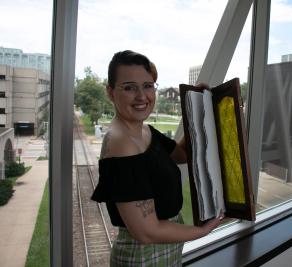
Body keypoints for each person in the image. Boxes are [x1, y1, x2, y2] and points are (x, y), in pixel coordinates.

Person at [91, 50, 223, 266]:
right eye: (129, 87)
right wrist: (201, 231)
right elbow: (147, 232)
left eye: (148, 85)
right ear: (110, 92)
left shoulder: (145, 132)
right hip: (143, 258)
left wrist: (199, 111)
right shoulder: (121, 143)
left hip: (165, 252)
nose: (142, 96)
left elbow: (182, 155)